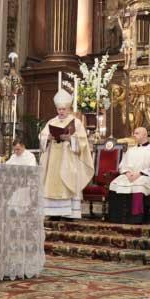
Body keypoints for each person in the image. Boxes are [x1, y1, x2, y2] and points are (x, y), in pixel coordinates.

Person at [38, 89, 94, 219]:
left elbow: (82, 142)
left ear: (68, 108)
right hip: (53, 160)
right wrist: (49, 138)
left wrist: (69, 138)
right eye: (59, 109)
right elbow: (42, 136)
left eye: (63, 109)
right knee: (52, 183)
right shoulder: (52, 122)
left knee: (67, 183)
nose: (61, 112)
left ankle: (69, 213)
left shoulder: (76, 122)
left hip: (68, 159)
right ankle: (53, 213)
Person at [107, 127, 150, 224]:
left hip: (147, 176)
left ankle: (136, 218)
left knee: (138, 186)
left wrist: (140, 173)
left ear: (145, 135)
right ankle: (118, 217)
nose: (134, 135)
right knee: (114, 184)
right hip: (130, 175)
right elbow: (122, 165)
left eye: (137, 133)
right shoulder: (131, 149)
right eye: (134, 133)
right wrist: (127, 173)